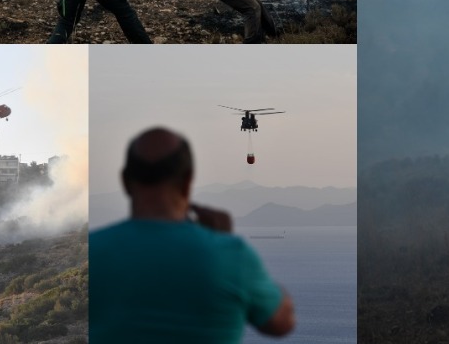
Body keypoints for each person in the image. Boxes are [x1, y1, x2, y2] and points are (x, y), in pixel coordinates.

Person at [90, 127, 296, 342]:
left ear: (125, 181)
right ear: (188, 181)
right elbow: (282, 322)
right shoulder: (232, 255)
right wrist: (222, 244)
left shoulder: (93, 251)